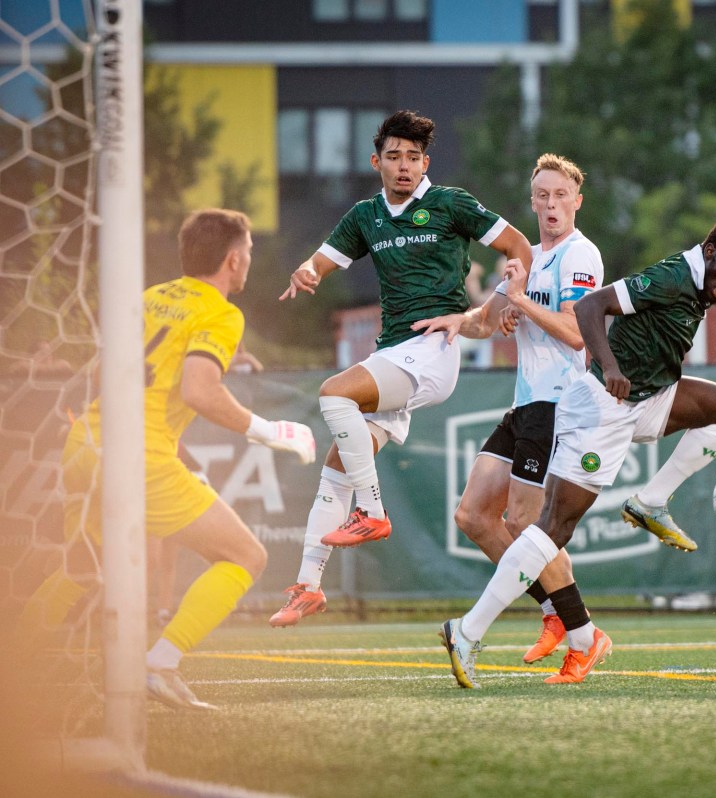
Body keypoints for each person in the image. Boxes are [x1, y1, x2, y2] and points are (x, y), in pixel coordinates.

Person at [439, 158, 716, 688]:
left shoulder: (709, 263)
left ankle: (651, 501)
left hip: (649, 395)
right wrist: (609, 366)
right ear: (708, 257)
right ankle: (469, 631)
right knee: (549, 528)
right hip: (604, 406)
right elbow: (590, 308)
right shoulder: (676, 276)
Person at [17, 209, 317, 709]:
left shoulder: (148, 297)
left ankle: (15, 664)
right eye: (248, 255)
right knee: (246, 557)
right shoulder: (222, 313)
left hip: (86, 442)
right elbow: (199, 391)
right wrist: (268, 431)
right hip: (139, 454)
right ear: (234, 259)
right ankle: (162, 662)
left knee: (81, 569)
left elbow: (102, 372)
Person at [270, 109, 533, 627]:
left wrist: (507, 295)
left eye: (414, 157)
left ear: (425, 162)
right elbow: (320, 262)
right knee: (336, 468)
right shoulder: (365, 216)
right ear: (377, 162)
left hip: (431, 351)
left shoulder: (449, 203)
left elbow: (519, 247)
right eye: (394, 157)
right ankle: (308, 585)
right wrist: (306, 271)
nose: (405, 166)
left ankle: (372, 512)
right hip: (391, 356)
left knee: (333, 394)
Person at [414, 154, 604, 671]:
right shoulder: (526, 257)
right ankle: (557, 613)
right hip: (525, 404)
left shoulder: (579, 255)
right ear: (532, 202)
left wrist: (522, 300)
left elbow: (577, 331)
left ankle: (584, 638)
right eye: (541, 195)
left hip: (560, 405)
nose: (550, 204)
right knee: (474, 515)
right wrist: (454, 319)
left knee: (525, 521)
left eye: (560, 195)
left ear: (576, 202)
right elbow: (487, 320)